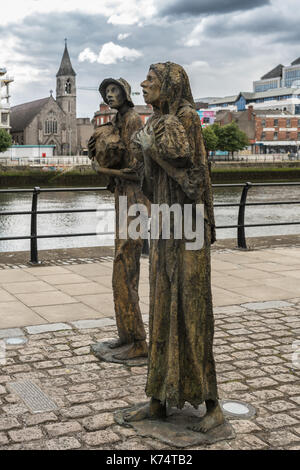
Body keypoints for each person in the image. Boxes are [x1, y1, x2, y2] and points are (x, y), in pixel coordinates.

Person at [124, 62, 224, 432]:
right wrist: (142, 156)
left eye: (150, 79)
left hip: (190, 229)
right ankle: (158, 399)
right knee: (162, 307)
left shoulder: (188, 119)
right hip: (166, 226)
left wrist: (156, 150)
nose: (143, 84)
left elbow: (194, 179)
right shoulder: (157, 122)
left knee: (193, 312)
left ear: (169, 84)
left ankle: (213, 405)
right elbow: (150, 184)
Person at [88, 78, 148, 360]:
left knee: (126, 267)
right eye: (106, 92)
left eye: (115, 91)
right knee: (120, 268)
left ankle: (138, 342)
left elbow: (137, 170)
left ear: (126, 93)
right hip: (123, 197)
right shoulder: (118, 119)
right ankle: (126, 335)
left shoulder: (134, 119)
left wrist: (103, 170)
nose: (110, 95)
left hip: (136, 199)